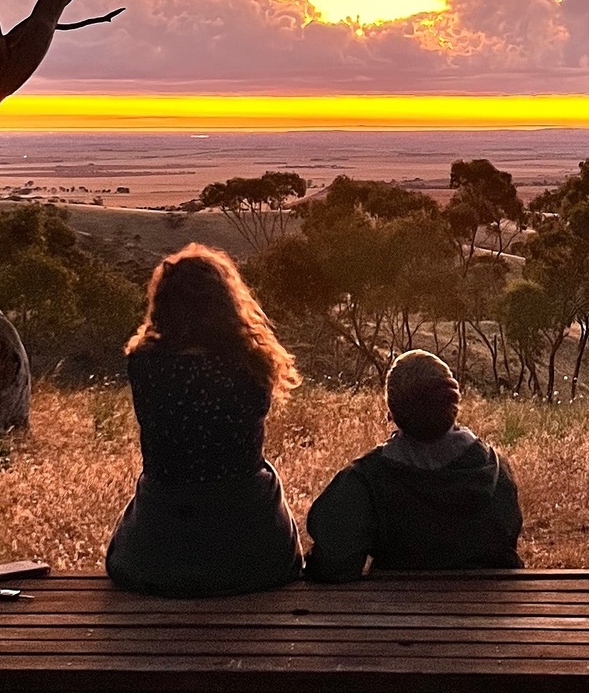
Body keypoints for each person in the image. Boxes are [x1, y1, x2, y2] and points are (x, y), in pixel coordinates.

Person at [104, 243, 304, 597]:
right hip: (253, 553)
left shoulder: (144, 364)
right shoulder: (251, 364)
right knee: (263, 476)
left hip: (156, 553)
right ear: (227, 303)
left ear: (163, 304)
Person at [305, 349, 522, 582]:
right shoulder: (496, 469)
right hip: (488, 613)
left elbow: (332, 565)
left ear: (393, 413)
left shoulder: (365, 480)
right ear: (453, 404)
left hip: (400, 615)